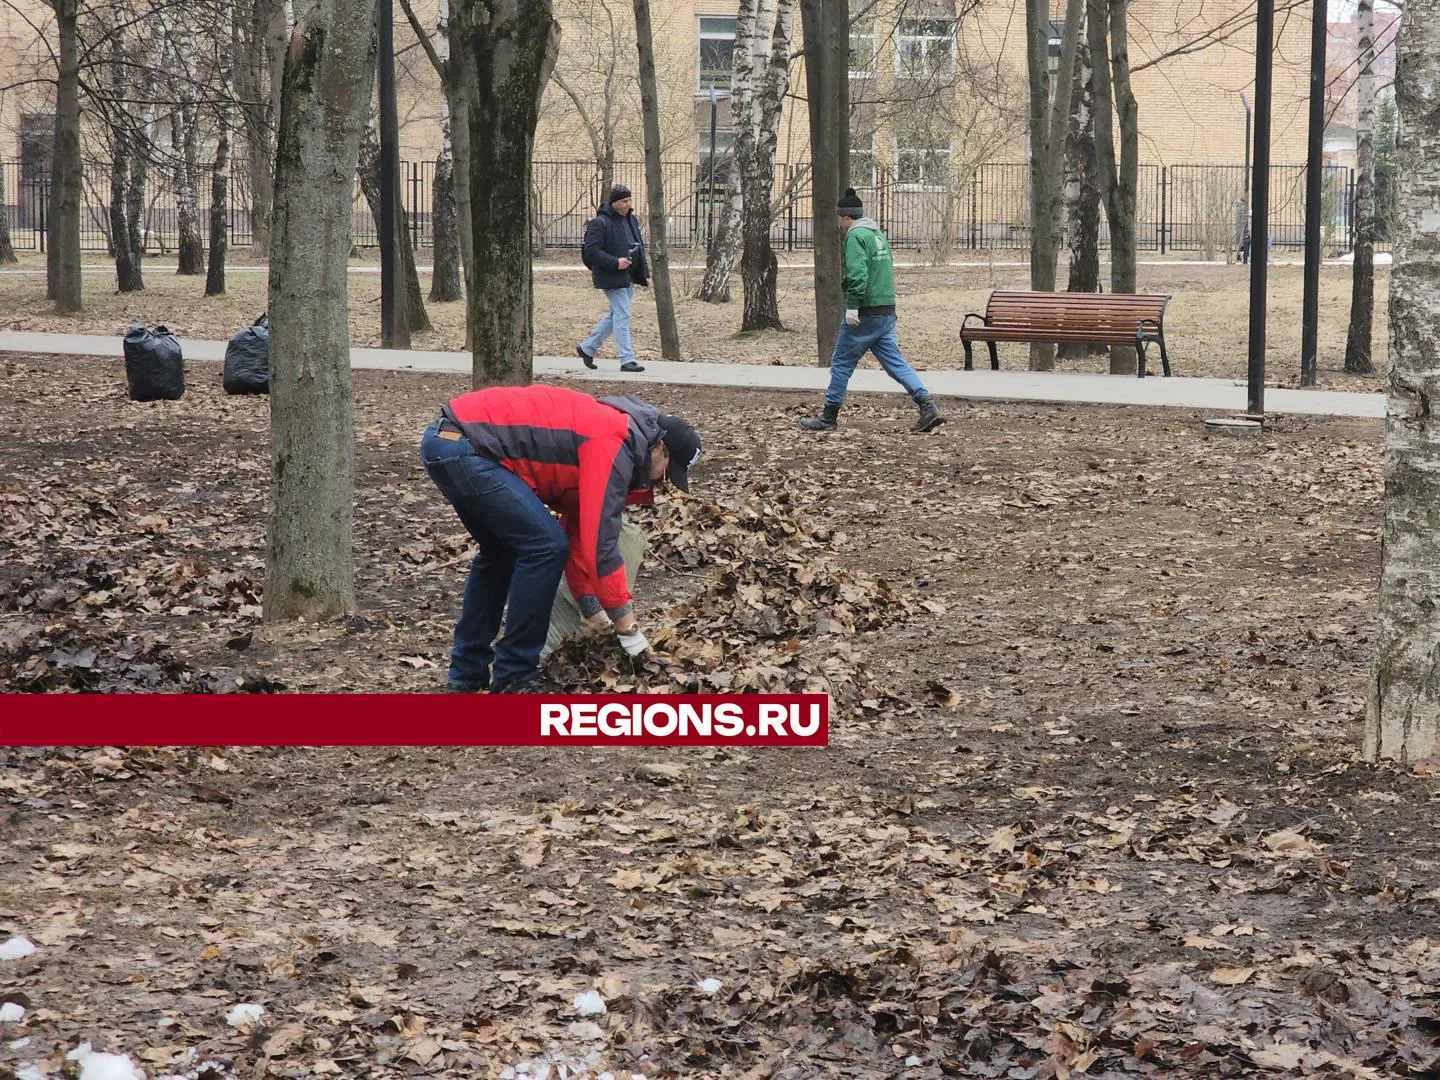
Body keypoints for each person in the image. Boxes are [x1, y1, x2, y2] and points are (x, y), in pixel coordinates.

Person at [420, 385, 701, 693]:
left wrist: (592, 609)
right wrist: (628, 629)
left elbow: (581, 530)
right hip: (468, 447)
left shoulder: (619, 439)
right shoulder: (613, 440)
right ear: (658, 447)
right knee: (545, 547)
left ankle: (466, 676)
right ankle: (514, 674)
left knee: (500, 553)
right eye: (667, 472)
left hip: (447, 442)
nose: (661, 483)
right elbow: (602, 545)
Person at [799, 188, 944, 434]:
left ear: (846, 217)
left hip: (866, 312)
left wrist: (853, 307)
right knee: (895, 363)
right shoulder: (877, 234)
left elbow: (858, 275)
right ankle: (927, 406)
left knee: (841, 362)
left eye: (840, 219)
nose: (840, 224)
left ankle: (829, 416)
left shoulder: (855, 236)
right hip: (886, 310)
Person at [578, 184, 650, 374]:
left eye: (629, 200)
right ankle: (627, 359)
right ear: (613, 202)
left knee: (615, 315)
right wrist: (615, 262)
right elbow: (592, 250)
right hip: (610, 276)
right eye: (624, 201)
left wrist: (645, 275)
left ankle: (587, 348)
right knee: (623, 314)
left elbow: (639, 248)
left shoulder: (631, 220)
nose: (628, 204)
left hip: (628, 275)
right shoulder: (600, 223)